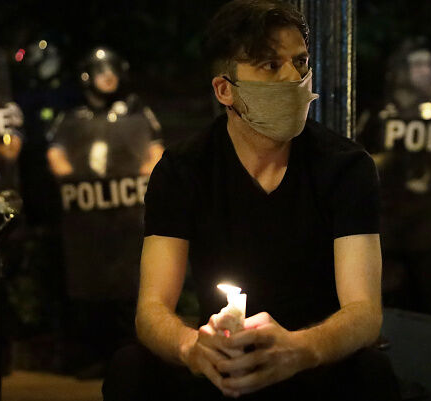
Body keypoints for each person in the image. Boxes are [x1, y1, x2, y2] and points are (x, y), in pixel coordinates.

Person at [103, 1, 400, 400]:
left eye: (300, 61)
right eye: (270, 65)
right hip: (222, 365)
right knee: (130, 369)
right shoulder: (183, 169)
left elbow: (365, 313)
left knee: (371, 373)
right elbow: (152, 309)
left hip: (313, 364)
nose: (295, 77)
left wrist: (300, 350)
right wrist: (193, 349)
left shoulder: (345, 167)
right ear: (226, 90)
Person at [46, 47, 163, 377]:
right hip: (87, 224)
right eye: (101, 71)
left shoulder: (138, 113)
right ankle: (91, 357)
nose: (108, 77)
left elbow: (155, 151)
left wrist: (144, 173)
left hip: (128, 221)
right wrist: (73, 177)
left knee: (129, 287)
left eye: (112, 70)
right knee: (89, 289)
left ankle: (130, 356)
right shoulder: (71, 118)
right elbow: (56, 155)